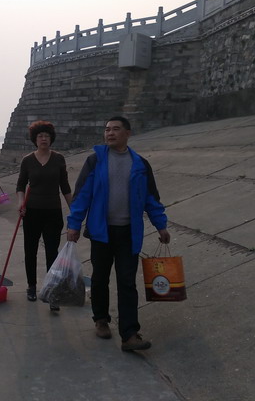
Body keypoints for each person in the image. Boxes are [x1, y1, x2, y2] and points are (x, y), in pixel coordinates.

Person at [66, 116, 170, 351]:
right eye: (107, 129)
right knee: (100, 279)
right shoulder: (95, 161)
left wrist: (161, 225)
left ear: (127, 133)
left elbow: (151, 199)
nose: (110, 133)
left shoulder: (140, 165)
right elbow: (82, 196)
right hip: (101, 232)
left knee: (127, 282)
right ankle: (101, 319)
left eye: (115, 129)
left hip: (129, 233)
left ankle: (129, 334)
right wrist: (74, 225)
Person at [16, 121, 72, 310]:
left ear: (51, 138)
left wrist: (74, 210)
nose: (43, 139)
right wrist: (21, 203)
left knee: (52, 252)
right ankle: (31, 286)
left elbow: (65, 186)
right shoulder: (27, 160)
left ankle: (51, 289)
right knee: (30, 250)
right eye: (40, 136)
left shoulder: (59, 159)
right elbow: (20, 185)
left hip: (53, 212)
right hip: (31, 212)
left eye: (46, 136)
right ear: (35, 139)